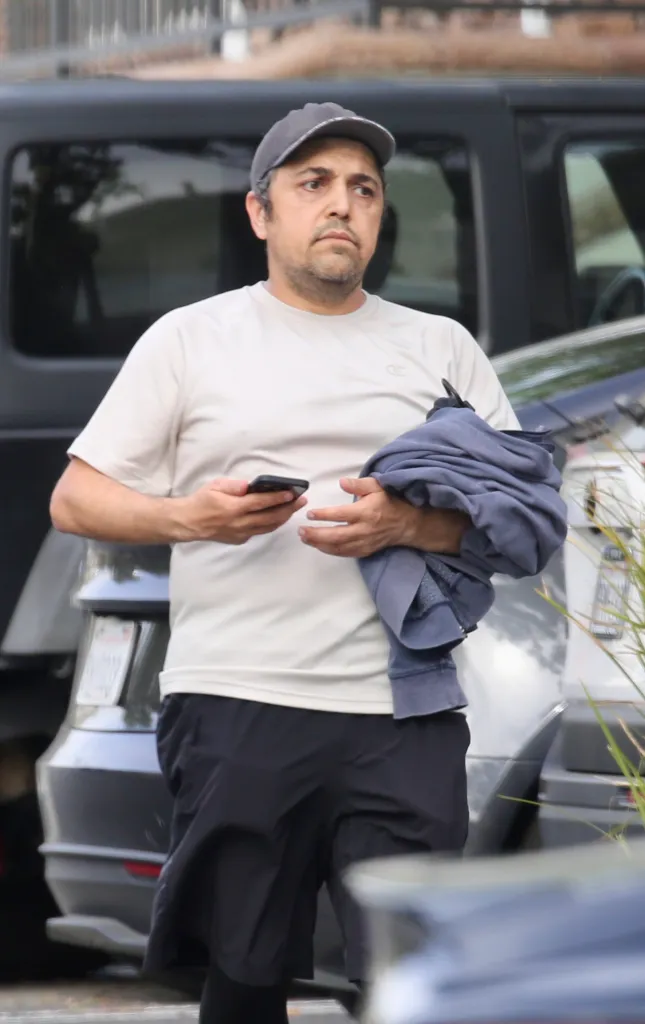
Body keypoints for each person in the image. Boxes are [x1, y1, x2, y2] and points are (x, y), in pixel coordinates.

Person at [49, 102, 521, 1023]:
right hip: (237, 699)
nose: (342, 205)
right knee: (246, 975)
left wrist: (405, 525)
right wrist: (187, 516)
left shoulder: (441, 348)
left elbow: (519, 524)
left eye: (363, 189)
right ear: (261, 214)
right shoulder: (190, 339)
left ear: (380, 215)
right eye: (314, 185)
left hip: (403, 711)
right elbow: (76, 498)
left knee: (413, 981)